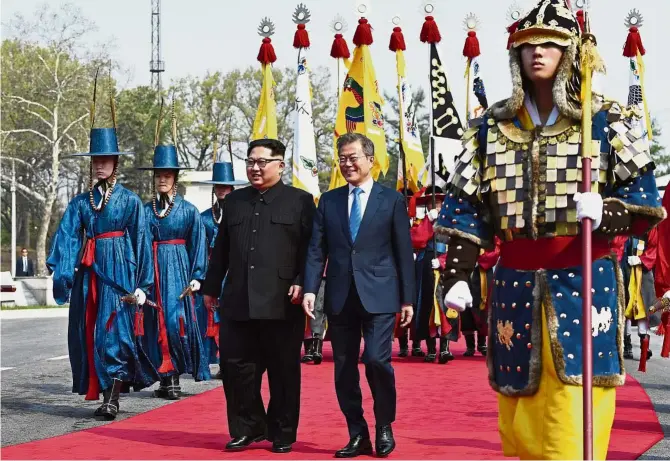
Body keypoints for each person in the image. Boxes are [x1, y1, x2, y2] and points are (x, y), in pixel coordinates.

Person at [433, 0, 665, 459]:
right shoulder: (489, 130)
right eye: (527, 45)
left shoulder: (604, 120)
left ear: (571, 52)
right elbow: (464, 210)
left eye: (550, 44)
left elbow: (647, 206)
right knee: (518, 419)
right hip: (513, 284)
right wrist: (457, 274)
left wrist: (609, 211)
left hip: (583, 282)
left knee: (572, 410)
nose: (537, 52)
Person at [302, 133, 415, 458]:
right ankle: (357, 432)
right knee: (343, 367)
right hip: (340, 296)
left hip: (380, 294)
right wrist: (311, 288)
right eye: (342, 158)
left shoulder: (390, 200)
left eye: (353, 157)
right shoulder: (329, 200)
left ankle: (384, 426)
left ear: (370, 159)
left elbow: (403, 251)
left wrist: (407, 298)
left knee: (377, 361)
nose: (348, 163)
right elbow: (316, 249)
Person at [201, 138, 316, 454]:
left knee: (283, 371)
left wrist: (302, 282)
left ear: (280, 164)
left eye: (262, 161)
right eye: (250, 161)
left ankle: (282, 432)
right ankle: (247, 428)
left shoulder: (300, 201)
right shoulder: (235, 202)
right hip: (238, 299)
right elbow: (221, 250)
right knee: (235, 368)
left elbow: (312, 250)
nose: (255, 167)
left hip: (282, 302)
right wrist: (211, 288)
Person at [47, 125, 157, 420]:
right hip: (89, 275)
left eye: (105, 159)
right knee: (91, 332)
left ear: (115, 162)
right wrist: (62, 272)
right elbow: (68, 236)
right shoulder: (81, 202)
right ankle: (102, 388)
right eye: (95, 159)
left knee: (115, 333)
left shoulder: (130, 201)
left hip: (120, 272)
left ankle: (112, 399)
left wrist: (142, 284)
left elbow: (142, 241)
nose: (99, 164)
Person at [138, 141, 210, 399]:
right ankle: (163, 378)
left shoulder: (189, 212)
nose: (162, 180)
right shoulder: (144, 211)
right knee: (154, 324)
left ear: (175, 178)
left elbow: (198, 245)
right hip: (151, 272)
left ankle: (176, 374)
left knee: (176, 323)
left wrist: (197, 276)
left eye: (167, 175)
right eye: (158, 175)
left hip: (178, 271)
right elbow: (136, 244)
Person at [194, 161, 248, 377]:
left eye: (225, 186)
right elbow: (198, 246)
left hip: (235, 272)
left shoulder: (241, 214)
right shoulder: (205, 217)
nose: (222, 190)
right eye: (218, 186)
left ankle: (231, 362)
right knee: (206, 316)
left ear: (232, 188)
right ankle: (205, 363)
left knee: (233, 319)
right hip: (212, 271)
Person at [410, 186, 458, 364]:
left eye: (438, 202)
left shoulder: (452, 223)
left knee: (446, 305)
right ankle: (430, 349)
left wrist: (444, 261)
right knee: (427, 305)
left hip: (446, 266)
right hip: (425, 267)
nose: (435, 206)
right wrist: (427, 222)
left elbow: (458, 247)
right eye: (432, 203)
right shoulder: (421, 222)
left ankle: (445, 348)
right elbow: (416, 240)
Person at [621, 233, 658, 362]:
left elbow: (654, 246)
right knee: (626, 306)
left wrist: (642, 260)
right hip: (625, 269)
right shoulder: (625, 224)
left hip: (643, 272)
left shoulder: (650, 227)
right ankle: (626, 344)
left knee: (642, 307)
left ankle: (644, 344)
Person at [462, 237, 501, 357]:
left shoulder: (489, 230)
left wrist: (480, 259)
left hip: (483, 270)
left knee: (482, 305)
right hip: (467, 269)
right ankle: (470, 345)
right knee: (466, 307)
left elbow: (496, 248)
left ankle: (482, 343)